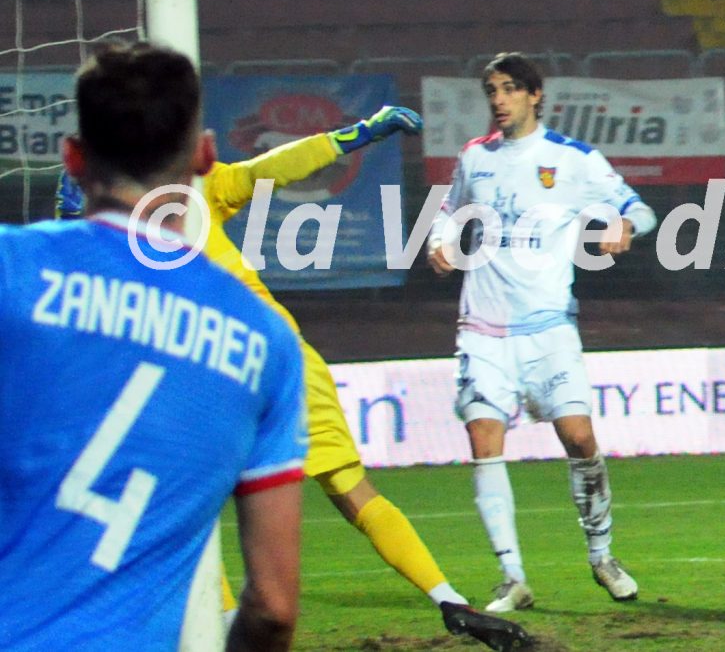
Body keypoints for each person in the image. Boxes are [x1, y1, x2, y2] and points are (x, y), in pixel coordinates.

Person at [56, 106, 531, 651]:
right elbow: (275, 167)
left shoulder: (111, 239)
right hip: (281, 356)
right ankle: (450, 601)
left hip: (205, 369)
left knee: (183, 508)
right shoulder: (194, 189)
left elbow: (87, 299)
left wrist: (74, 224)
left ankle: (224, 632)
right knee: (351, 491)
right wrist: (357, 135)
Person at [0, 42, 305, 650]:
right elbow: (273, 607)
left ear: (73, 158)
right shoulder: (264, 342)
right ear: (205, 155)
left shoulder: (14, 269)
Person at [428, 52, 656, 613]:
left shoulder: (572, 159)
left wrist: (626, 224)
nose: (499, 100)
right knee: (484, 442)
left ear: (535, 95)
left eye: (509, 89)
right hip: (483, 330)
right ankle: (512, 577)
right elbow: (449, 210)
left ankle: (602, 556)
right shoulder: (475, 157)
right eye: (492, 91)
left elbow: (640, 208)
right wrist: (440, 241)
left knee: (578, 439)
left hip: (549, 328)